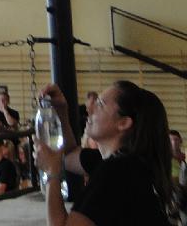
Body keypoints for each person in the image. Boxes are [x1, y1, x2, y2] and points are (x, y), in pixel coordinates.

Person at [34, 81, 175, 226]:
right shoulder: (128, 163)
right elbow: (68, 155)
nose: (90, 108)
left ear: (123, 123)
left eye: (100, 104)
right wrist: (61, 112)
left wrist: (51, 173)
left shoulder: (117, 172)